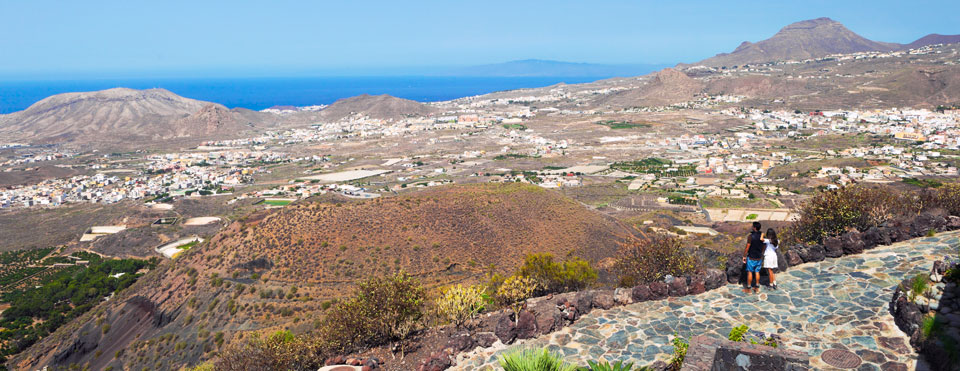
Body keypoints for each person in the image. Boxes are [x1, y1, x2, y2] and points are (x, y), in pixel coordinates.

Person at [742, 222, 764, 293]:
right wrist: (762, 252)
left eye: (752, 226)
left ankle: (748, 289)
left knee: (750, 272)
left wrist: (744, 256)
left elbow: (747, 247)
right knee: (757, 272)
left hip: (751, 257)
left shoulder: (750, 236)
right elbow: (764, 245)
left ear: (754, 227)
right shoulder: (762, 236)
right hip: (759, 257)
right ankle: (757, 288)